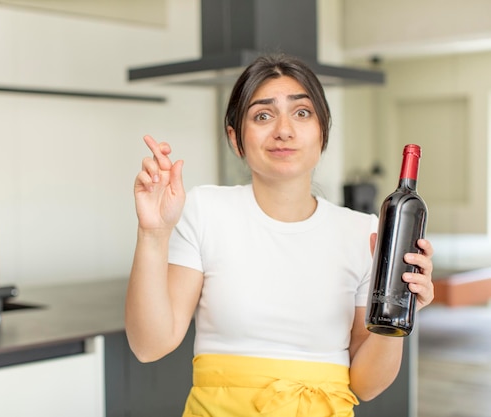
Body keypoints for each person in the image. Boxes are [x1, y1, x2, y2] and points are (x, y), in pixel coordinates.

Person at [125, 53, 434, 417]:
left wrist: (397, 313)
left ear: (323, 131)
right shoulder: (204, 210)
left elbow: (365, 385)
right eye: (263, 115)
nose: (284, 130)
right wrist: (153, 232)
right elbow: (150, 346)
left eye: (302, 113)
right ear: (235, 138)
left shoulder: (364, 231)